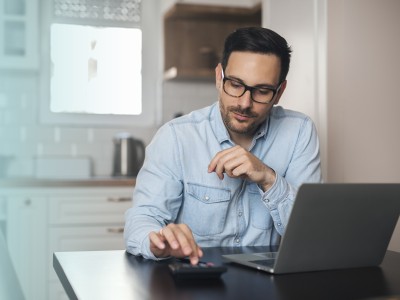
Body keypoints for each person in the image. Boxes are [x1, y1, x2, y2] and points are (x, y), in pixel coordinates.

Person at [124, 27, 322, 265]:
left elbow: (311, 234)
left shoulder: (299, 131)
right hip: (194, 283)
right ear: (219, 77)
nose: (244, 103)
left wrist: (268, 177)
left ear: (279, 92)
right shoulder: (175, 137)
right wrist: (158, 242)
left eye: (262, 91)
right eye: (236, 84)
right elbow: (142, 219)